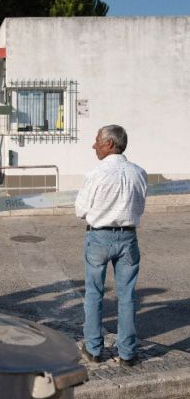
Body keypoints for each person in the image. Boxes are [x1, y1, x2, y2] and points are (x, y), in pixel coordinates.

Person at [75, 125, 147, 367]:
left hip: (99, 236)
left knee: (94, 293)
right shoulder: (139, 172)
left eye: (97, 140)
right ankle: (127, 353)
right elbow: (139, 207)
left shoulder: (96, 174)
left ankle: (94, 348)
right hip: (128, 237)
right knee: (127, 295)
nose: (93, 145)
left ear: (109, 144)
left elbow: (80, 210)